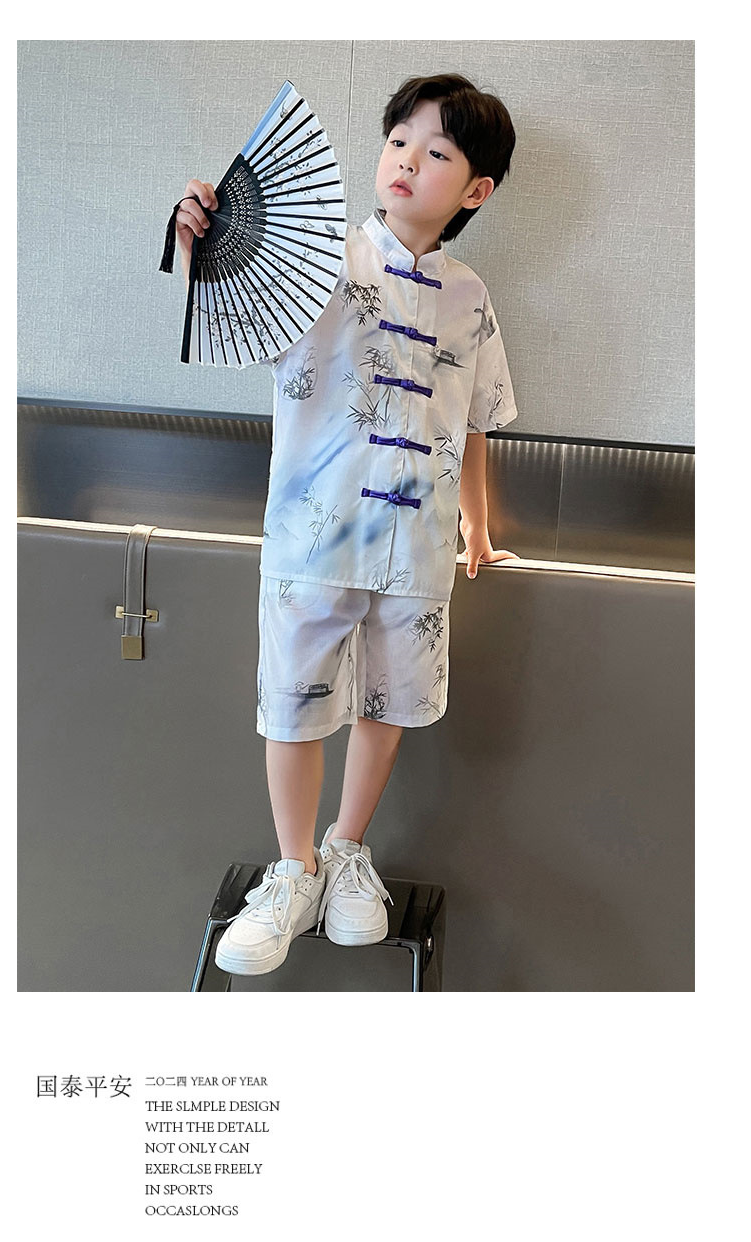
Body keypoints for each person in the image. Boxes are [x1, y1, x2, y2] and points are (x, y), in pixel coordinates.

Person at [173, 73, 521, 979]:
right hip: (313, 531)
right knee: (292, 702)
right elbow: (233, 295)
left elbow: (473, 423)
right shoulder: (315, 258)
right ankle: (292, 871)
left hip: (420, 542)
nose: (407, 159)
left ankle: (345, 850)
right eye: (398, 140)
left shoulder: (471, 296)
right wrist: (206, 236)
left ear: (475, 189)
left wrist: (478, 531)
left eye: (437, 152)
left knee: (389, 702)